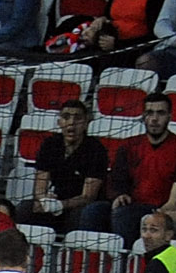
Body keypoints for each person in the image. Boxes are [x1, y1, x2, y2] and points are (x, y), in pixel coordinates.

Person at [78, 93, 176, 248]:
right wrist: (119, 195)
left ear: (169, 116)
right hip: (132, 203)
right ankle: (87, 263)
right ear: (143, 116)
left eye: (160, 113)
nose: (154, 119)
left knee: (124, 216)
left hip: (161, 209)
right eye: (149, 113)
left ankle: (127, 264)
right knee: (93, 211)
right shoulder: (129, 145)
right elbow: (117, 179)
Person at [16, 100, 108, 234]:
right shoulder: (50, 144)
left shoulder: (96, 149)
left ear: (86, 122)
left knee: (79, 215)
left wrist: (61, 205)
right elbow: (40, 184)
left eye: (78, 118)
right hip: (56, 200)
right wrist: (44, 199)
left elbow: (88, 196)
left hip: (83, 205)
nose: (72, 123)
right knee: (25, 208)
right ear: (59, 122)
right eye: (66, 117)